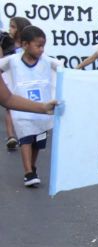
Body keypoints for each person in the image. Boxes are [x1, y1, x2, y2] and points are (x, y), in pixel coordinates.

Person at [0, 26, 61, 187]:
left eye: (43, 46)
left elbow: (64, 70)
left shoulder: (47, 61)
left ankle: (32, 166)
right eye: (38, 46)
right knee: (26, 139)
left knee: (37, 142)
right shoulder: (12, 60)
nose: (41, 50)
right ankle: (28, 172)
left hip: (43, 110)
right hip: (20, 110)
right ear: (25, 45)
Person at [3, 16, 31, 151]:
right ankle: (11, 136)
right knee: (10, 106)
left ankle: (28, 133)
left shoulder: (28, 44)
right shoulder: (6, 43)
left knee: (25, 103)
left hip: (24, 78)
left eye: (13, 26)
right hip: (10, 77)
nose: (10, 29)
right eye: (10, 26)